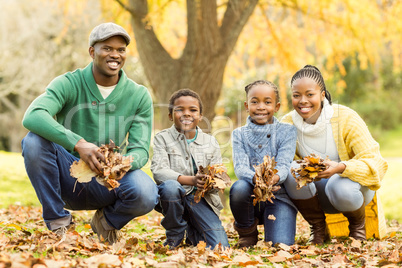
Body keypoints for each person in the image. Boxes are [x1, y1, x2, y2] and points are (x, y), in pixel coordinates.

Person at [21, 22, 159, 244]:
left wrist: (124, 162)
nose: (115, 55)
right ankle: (59, 225)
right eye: (107, 48)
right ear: (92, 51)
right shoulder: (69, 83)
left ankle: (106, 224)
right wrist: (78, 143)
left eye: (121, 50)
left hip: (109, 181)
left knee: (146, 192)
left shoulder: (138, 95)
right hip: (67, 177)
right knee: (34, 141)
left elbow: (140, 149)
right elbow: (33, 115)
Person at [281, 65, 388, 244]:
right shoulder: (287, 124)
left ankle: (357, 227)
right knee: (291, 170)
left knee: (338, 185)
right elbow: (281, 162)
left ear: (322, 95)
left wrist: (341, 167)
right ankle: (318, 229)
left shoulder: (346, 118)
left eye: (310, 94)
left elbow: (375, 162)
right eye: (296, 95)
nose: (302, 101)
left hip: (353, 192)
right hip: (316, 195)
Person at [151, 89, 229, 249]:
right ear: (170, 115)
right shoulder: (162, 138)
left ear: (200, 116)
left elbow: (218, 172)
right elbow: (159, 170)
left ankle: (193, 229)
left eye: (193, 110)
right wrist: (191, 180)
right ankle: (175, 233)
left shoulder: (211, 142)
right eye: (180, 109)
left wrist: (214, 181)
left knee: (220, 246)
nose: (186, 114)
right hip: (173, 197)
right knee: (170, 186)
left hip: (200, 199)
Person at [230, 80, 298, 247]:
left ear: (277, 107)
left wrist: (273, 179)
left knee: (280, 244)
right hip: (250, 193)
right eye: (255, 102)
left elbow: (284, 165)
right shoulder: (239, 134)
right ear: (247, 105)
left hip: (278, 196)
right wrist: (257, 180)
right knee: (238, 188)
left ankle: (275, 224)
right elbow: (240, 168)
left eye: (267, 102)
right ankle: (247, 231)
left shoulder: (287, 131)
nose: (261, 107)